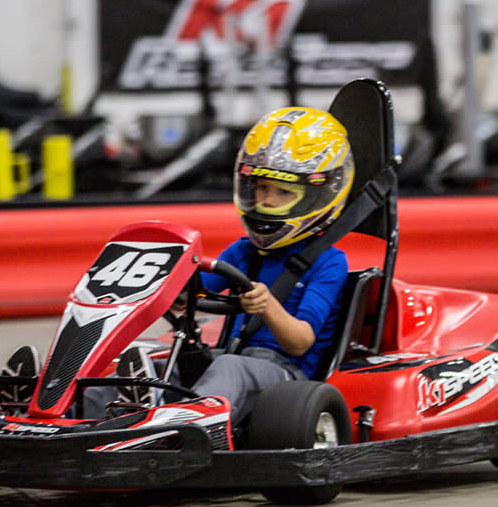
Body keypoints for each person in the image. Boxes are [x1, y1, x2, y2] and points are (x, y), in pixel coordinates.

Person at [87, 106, 354, 421]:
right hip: (234, 358)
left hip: (289, 377)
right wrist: (167, 290)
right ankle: (74, 415)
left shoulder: (329, 262)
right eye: (262, 188)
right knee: (155, 365)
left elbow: (300, 342)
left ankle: (185, 426)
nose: (266, 201)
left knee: (228, 368)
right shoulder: (243, 251)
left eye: (283, 192)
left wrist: (268, 307)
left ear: (318, 196)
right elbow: (192, 295)